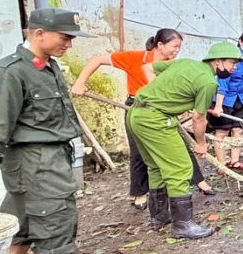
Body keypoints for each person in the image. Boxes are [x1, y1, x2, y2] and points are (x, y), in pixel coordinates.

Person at [0, 7, 103, 254]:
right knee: (53, 215)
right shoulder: (9, 73)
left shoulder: (47, 67)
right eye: (64, 37)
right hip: (34, 160)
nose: (69, 44)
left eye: (72, 38)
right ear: (38, 33)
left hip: (48, 155)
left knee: (23, 221)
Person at [70, 28, 216, 208]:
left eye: (179, 47)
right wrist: (80, 82)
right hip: (137, 107)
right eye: (174, 46)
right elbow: (97, 59)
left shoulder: (173, 63)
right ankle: (140, 193)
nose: (176, 51)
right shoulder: (135, 58)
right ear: (160, 45)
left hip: (164, 112)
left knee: (181, 146)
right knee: (139, 153)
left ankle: (199, 181)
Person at [126, 42, 243, 239]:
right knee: (181, 168)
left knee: (156, 166)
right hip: (155, 119)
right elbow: (199, 119)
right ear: (218, 61)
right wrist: (201, 143)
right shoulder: (208, 82)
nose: (235, 67)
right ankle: (182, 225)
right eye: (232, 62)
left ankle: (159, 217)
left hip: (136, 113)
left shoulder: (186, 63)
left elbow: (148, 67)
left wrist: (159, 95)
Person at [207, 30, 243, 171]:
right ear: (240, 42)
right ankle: (222, 165)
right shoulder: (230, 58)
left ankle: (235, 161)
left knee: (238, 130)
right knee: (222, 132)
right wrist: (218, 106)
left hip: (241, 99)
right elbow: (222, 83)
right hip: (224, 99)